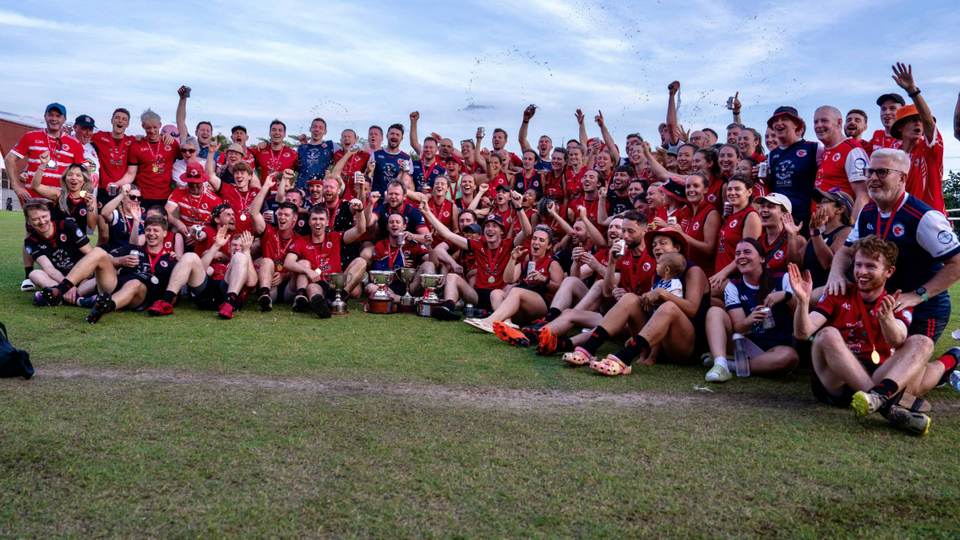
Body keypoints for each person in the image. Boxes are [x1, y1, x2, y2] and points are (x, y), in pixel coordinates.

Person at [792, 238, 937, 436]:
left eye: (871, 266)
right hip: (837, 382)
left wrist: (887, 319)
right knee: (827, 334)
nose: (861, 272)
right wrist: (803, 301)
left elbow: (897, 341)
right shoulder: (838, 293)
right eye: (858, 265)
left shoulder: (896, 301)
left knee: (923, 342)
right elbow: (803, 332)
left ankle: (876, 398)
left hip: (876, 375)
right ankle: (885, 405)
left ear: (889, 272)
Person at [826, 149, 960, 344]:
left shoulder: (924, 217)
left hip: (923, 310)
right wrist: (836, 274)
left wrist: (917, 295)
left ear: (902, 178)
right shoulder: (867, 212)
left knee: (907, 357)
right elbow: (846, 251)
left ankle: (953, 357)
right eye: (869, 171)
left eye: (882, 172)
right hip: (884, 306)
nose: (873, 178)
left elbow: (957, 264)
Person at [535, 211, 657, 357]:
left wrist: (598, 266)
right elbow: (579, 279)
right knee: (574, 304)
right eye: (619, 229)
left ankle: (561, 342)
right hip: (610, 307)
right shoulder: (616, 254)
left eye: (628, 231)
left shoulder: (654, 256)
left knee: (609, 310)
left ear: (645, 232)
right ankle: (540, 333)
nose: (624, 235)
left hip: (639, 317)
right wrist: (577, 261)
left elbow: (657, 296)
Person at [5, 103, 86, 291]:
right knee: (31, 234)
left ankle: (67, 274)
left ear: (64, 119)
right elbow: (9, 158)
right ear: (45, 116)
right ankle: (28, 276)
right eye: (51, 115)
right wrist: (16, 186)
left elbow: (83, 170)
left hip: (61, 199)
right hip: (36, 198)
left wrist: (79, 194)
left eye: (58, 116)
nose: (54, 119)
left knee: (63, 234)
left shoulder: (73, 143)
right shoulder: (31, 136)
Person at [40, 215, 178, 324]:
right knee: (98, 252)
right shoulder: (133, 249)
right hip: (115, 284)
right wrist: (120, 261)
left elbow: (174, 291)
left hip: (140, 296)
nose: (151, 233)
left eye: (156, 230)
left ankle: (104, 307)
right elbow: (108, 259)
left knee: (135, 283)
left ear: (164, 234)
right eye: (148, 230)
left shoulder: (171, 260)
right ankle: (61, 289)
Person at [704, 238, 799, 382]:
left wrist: (786, 296)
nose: (741, 257)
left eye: (747, 252)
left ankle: (732, 366)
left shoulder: (783, 278)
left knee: (790, 357)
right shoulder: (734, 285)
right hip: (745, 346)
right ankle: (720, 364)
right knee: (714, 311)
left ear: (762, 258)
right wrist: (749, 320)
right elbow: (739, 327)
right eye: (738, 254)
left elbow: (804, 310)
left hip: (776, 347)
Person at [422, 201, 532, 320]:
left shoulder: (509, 244)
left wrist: (519, 207)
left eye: (494, 226)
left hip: (499, 294)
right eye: (487, 226)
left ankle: (493, 312)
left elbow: (527, 232)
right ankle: (449, 309)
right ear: (483, 231)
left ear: (502, 231)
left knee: (513, 286)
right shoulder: (478, 245)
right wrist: (427, 213)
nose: (490, 229)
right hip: (478, 295)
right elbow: (447, 234)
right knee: (452, 277)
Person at [468, 226, 564, 336]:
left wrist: (544, 280)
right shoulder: (527, 262)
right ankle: (507, 322)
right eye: (534, 238)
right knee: (496, 293)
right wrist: (512, 258)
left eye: (541, 240)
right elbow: (508, 279)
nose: (536, 242)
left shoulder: (552, 264)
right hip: (523, 310)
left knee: (516, 291)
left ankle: (490, 321)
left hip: (542, 307)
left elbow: (561, 291)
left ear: (549, 246)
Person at [148, 229, 258, 319]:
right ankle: (166, 301)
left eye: (242, 245)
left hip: (227, 296)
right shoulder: (220, 264)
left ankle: (229, 303)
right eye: (234, 245)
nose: (237, 248)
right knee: (190, 256)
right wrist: (216, 246)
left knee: (239, 257)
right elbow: (201, 269)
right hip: (206, 295)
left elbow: (252, 282)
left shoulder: (248, 265)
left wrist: (246, 252)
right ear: (229, 247)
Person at [284, 201, 368, 318]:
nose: (318, 222)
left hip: (337, 283)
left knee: (361, 261)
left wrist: (359, 210)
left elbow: (360, 230)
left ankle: (340, 298)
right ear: (309, 222)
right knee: (311, 286)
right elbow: (288, 262)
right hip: (317, 282)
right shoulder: (302, 241)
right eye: (314, 219)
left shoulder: (335, 237)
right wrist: (308, 271)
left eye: (321, 219)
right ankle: (321, 305)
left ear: (327, 222)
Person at [889, 62, 945, 214]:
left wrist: (912, 91)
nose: (919, 124)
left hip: (931, 219)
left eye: (921, 120)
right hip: (901, 220)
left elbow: (929, 122)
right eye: (913, 120)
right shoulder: (892, 157)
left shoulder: (930, 149)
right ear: (899, 126)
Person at [23, 199, 96, 305]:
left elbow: (91, 255)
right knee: (34, 274)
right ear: (28, 221)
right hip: (58, 279)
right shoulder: (30, 241)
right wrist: (67, 285)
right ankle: (79, 299)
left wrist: (71, 283)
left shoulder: (67, 226)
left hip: (82, 276)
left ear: (49, 214)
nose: (42, 222)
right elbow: (48, 268)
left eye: (44, 216)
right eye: (36, 219)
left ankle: (57, 296)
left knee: (102, 275)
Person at [767, 106, 821, 233]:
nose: (779, 123)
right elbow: (771, 185)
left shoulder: (814, 148)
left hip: (806, 217)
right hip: (779, 219)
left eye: (784, 119)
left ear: (796, 124)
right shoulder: (771, 155)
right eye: (775, 121)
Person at [115, 109, 182, 210]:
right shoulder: (136, 145)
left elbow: (186, 159)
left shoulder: (171, 143)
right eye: (148, 128)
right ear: (143, 126)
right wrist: (117, 184)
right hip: (142, 196)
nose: (152, 131)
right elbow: (130, 174)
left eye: (155, 127)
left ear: (160, 125)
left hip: (164, 196)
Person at [709, 175, 761, 297]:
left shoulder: (750, 216)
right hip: (721, 277)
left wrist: (724, 273)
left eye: (737, 189)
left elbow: (748, 255)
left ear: (749, 192)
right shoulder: (730, 216)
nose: (732, 193)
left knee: (700, 293)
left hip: (736, 279)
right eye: (729, 189)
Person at [813, 106, 869, 216]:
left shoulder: (852, 150)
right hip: (822, 223)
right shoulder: (827, 150)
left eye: (824, 120)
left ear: (839, 123)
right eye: (816, 122)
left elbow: (863, 194)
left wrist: (854, 225)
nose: (819, 125)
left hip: (840, 223)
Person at [366, 213, 436, 302]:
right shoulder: (380, 245)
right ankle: (407, 300)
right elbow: (378, 269)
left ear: (404, 227)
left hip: (410, 285)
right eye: (391, 222)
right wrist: (397, 263)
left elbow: (434, 263)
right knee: (370, 287)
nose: (394, 224)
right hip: (388, 286)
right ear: (387, 227)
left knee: (429, 265)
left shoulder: (413, 244)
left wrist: (429, 248)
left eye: (397, 222)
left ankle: (430, 297)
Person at [29, 158, 98, 232]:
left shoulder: (89, 199)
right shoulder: (58, 194)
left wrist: (89, 207)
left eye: (78, 175)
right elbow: (35, 187)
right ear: (65, 178)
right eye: (70, 175)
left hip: (79, 239)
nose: (73, 178)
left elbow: (92, 226)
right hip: (57, 238)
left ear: (84, 180)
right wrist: (42, 165)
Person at [803, 188, 853, 289]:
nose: (818, 205)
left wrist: (815, 232)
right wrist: (791, 235)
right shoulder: (816, 235)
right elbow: (795, 263)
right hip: (809, 291)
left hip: (829, 291)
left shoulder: (847, 231)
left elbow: (829, 264)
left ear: (840, 209)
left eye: (825, 202)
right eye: (819, 202)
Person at [90, 108, 136, 210]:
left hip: (122, 190)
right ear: (112, 120)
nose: (120, 121)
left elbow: (150, 140)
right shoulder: (99, 137)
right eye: (117, 118)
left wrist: (168, 136)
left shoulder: (132, 141)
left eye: (124, 119)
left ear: (127, 124)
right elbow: (82, 135)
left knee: (120, 218)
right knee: (101, 217)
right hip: (103, 189)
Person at [675, 172, 720, 275]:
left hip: (703, 275)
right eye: (688, 186)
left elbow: (709, 249)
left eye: (696, 186)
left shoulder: (711, 213)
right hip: (687, 271)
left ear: (705, 190)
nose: (691, 190)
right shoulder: (688, 212)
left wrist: (681, 234)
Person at [165, 162, 223, 239]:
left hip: (204, 235)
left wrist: (201, 235)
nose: (194, 185)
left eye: (197, 182)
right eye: (191, 182)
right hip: (184, 234)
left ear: (203, 181)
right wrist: (177, 222)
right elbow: (166, 212)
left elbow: (219, 224)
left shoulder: (214, 200)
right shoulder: (179, 191)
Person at [754, 193, 805, 273]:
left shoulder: (798, 240)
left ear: (784, 214)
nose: (764, 210)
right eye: (762, 206)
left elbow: (796, 269)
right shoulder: (758, 241)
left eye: (771, 206)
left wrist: (792, 235)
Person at [253, 120, 298, 190]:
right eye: (274, 130)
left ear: (284, 134)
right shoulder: (260, 151)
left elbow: (303, 171)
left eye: (280, 130)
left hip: (284, 194)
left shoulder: (293, 154)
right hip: (265, 194)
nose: (277, 132)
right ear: (269, 133)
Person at [175, 86, 217, 159]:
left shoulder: (217, 154)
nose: (205, 133)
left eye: (208, 131)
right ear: (196, 132)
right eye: (202, 130)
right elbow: (180, 121)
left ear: (211, 135)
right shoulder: (188, 145)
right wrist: (182, 99)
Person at [100, 184, 145, 252]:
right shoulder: (117, 214)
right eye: (132, 197)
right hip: (116, 253)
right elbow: (104, 213)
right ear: (123, 199)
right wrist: (121, 195)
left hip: (135, 253)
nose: (136, 200)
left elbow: (136, 245)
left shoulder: (144, 218)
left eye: (139, 198)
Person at [296, 118, 338, 190]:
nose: (317, 130)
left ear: (325, 132)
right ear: (310, 129)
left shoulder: (330, 145)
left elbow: (345, 154)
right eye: (314, 127)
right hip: (301, 189)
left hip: (321, 189)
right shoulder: (301, 148)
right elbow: (296, 167)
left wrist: (332, 174)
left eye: (320, 128)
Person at [371, 124, 410, 194]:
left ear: (401, 139)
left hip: (395, 197)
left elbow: (409, 184)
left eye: (397, 135)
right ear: (387, 136)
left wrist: (403, 172)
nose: (394, 136)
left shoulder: (406, 159)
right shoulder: (375, 155)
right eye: (392, 134)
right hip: (377, 196)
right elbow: (368, 176)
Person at [518, 105, 552, 170]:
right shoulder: (533, 159)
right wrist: (526, 120)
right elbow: (522, 140)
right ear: (538, 147)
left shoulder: (555, 164)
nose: (543, 143)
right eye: (541, 142)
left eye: (546, 142)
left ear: (551, 147)